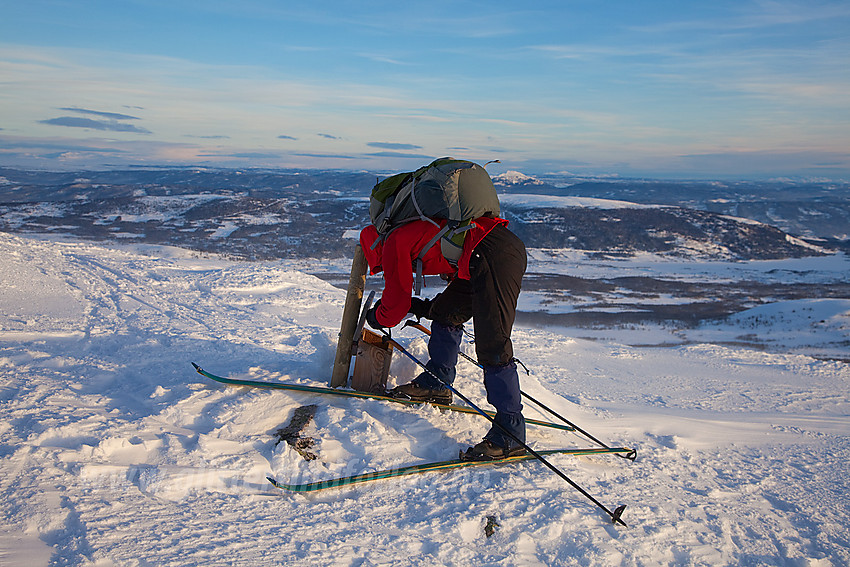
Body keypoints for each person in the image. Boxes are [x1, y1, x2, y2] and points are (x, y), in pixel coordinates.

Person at [359, 212, 527, 460]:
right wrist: (420, 308)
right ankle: (437, 382)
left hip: (493, 255)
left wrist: (376, 318)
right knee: (445, 313)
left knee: (493, 345)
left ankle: (510, 431)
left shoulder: (394, 242)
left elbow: (394, 305)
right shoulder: (414, 226)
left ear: (375, 248)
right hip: (481, 253)